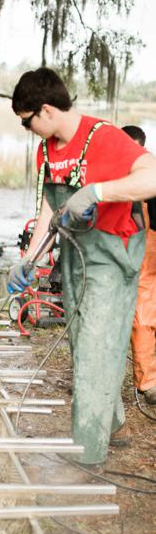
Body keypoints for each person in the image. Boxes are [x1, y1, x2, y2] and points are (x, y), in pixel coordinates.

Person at [8, 67, 156, 465]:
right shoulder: (47, 150)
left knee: (95, 347)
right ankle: (113, 424)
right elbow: (47, 208)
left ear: (44, 111)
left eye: (27, 123)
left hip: (112, 255)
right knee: (82, 343)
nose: (27, 131)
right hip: (76, 255)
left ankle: (87, 454)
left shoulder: (104, 137)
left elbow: (153, 177)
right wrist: (30, 258)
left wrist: (99, 191)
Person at [121, 125, 156, 405]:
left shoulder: (146, 173)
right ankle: (148, 383)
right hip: (136, 249)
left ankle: (148, 382)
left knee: (143, 316)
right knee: (143, 317)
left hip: (148, 246)